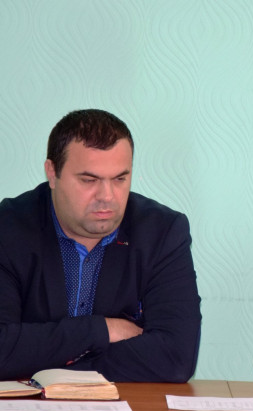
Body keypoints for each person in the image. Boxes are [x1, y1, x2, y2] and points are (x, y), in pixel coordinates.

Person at [0, 109, 201, 382]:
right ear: (52, 173)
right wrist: (102, 331)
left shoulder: (162, 233)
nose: (107, 197)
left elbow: (176, 358)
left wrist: (49, 359)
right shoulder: (8, 228)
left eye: (119, 179)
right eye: (89, 180)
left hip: (125, 405)